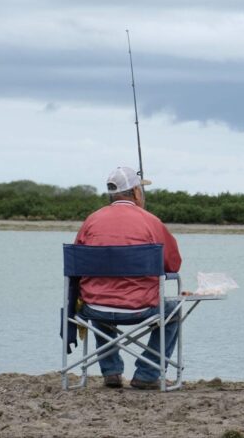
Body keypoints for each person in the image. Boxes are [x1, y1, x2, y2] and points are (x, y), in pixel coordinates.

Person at [74, 166, 182, 390]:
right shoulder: (151, 221)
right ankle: (148, 373)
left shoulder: (91, 221)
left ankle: (111, 371)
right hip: (140, 307)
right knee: (173, 309)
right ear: (135, 192)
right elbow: (173, 264)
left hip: (95, 307)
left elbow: (76, 264)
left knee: (98, 298)